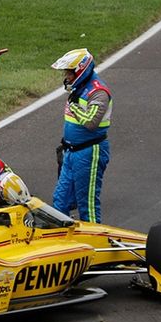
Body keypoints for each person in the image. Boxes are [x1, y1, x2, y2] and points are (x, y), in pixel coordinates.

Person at [51, 48, 112, 222]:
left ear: (80, 70)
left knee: (88, 205)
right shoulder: (78, 89)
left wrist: (75, 107)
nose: (66, 76)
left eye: (69, 72)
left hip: (90, 152)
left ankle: (95, 243)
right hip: (71, 152)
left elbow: (91, 122)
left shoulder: (98, 92)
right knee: (60, 202)